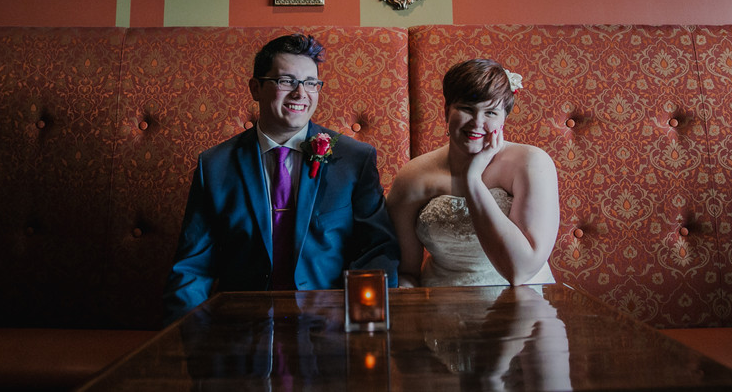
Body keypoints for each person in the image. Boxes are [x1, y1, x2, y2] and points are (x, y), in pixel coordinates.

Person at [163, 33, 400, 324]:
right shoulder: (214, 166)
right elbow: (192, 268)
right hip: (244, 329)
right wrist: (186, 338)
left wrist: (364, 323)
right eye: (286, 81)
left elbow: (377, 249)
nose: (301, 93)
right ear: (256, 88)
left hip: (329, 328)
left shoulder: (353, 160)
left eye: (311, 83)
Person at [387, 58, 559, 287]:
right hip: (441, 301)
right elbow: (406, 273)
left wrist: (472, 180)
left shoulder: (532, 163)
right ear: (447, 112)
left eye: (491, 112)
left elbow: (520, 272)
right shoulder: (413, 176)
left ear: (504, 118)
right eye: (467, 109)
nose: (477, 122)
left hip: (524, 298)